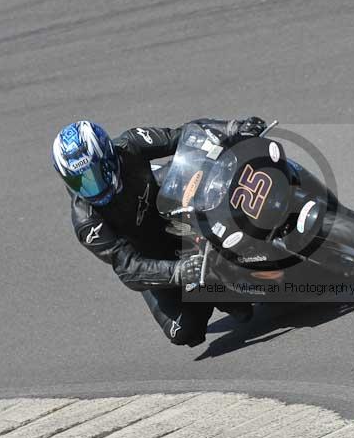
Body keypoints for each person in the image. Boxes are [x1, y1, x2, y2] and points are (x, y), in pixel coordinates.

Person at [52, 117, 266, 347]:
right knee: (184, 332)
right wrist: (179, 272)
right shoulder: (87, 222)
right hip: (152, 258)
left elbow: (185, 135)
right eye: (79, 180)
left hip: (171, 210)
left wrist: (234, 128)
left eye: (93, 174)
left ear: (108, 156)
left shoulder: (131, 143)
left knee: (207, 168)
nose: (89, 186)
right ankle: (218, 292)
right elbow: (128, 269)